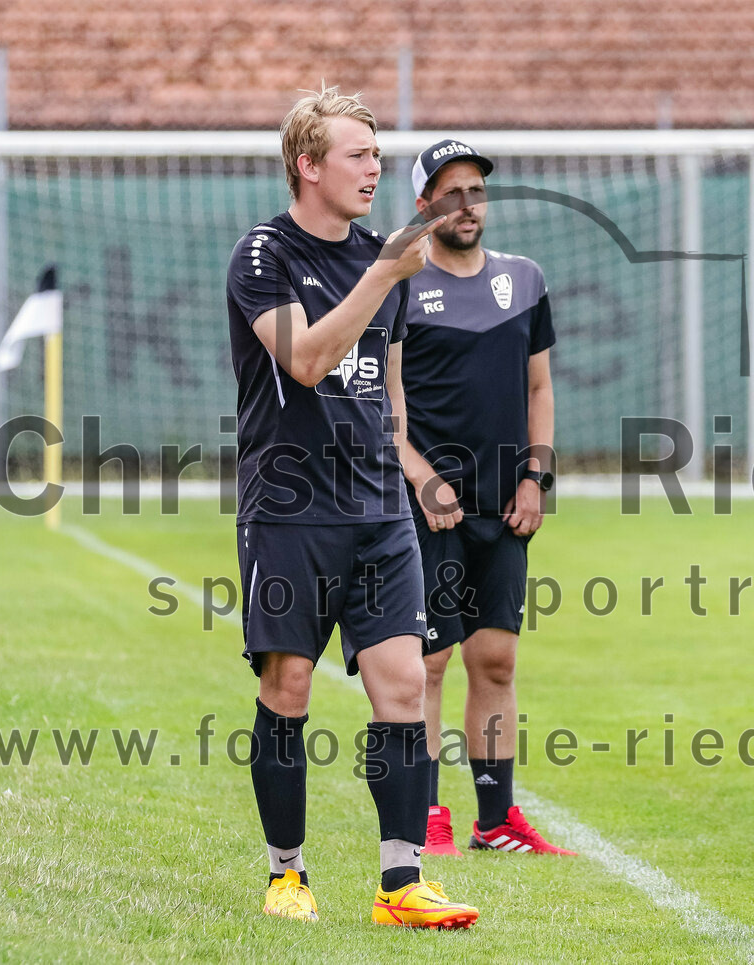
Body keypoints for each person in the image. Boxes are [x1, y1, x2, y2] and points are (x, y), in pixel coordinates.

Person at [225, 86, 478, 928]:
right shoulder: (262, 255)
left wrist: (411, 469)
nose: (375, 168)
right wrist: (379, 274)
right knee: (288, 684)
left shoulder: (384, 255)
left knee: (404, 684)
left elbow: (388, 389)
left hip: (376, 507)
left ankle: (401, 882)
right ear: (308, 164)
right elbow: (305, 360)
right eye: (357, 155)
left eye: (377, 155)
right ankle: (287, 874)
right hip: (290, 507)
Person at [398, 139, 575, 856]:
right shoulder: (400, 285)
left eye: (476, 190)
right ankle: (427, 819)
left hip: (506, 508)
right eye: (451, 192)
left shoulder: (525, 280)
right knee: (430, 663)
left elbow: (539, 389)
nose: (467, 205)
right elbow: (385, 403)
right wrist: (419, 475)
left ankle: (496, 819)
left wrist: (537, 478)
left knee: (496, 660)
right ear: (423, 206)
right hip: (431, 506)